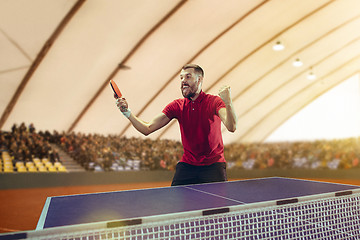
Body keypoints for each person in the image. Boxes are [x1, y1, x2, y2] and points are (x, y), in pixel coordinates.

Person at [115, 64, 237, 186]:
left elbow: (231, 126)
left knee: (219, 205)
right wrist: (127, 112)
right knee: (175, 203)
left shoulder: (214, 102)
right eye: (181, 78)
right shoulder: (177, 106)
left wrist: (228, 102)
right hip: (188, 166)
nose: (183, 81)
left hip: (213, 166)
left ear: (199, 79)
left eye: (188, 77)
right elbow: (147, 128)